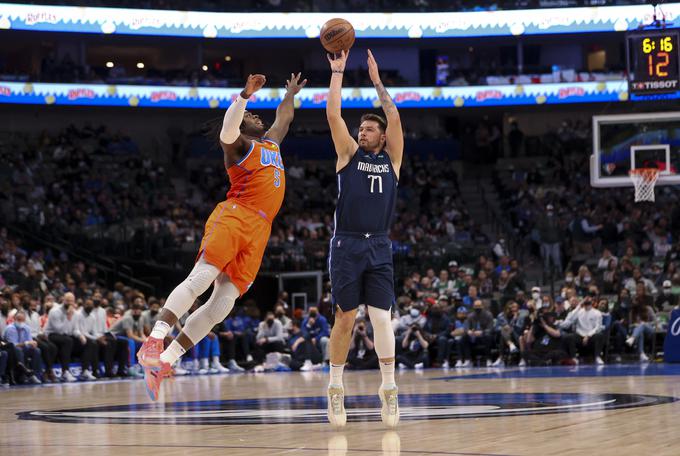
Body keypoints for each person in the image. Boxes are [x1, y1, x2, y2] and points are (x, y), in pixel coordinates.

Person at [136, 72, 306, 400]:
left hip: (260, 229)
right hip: (235, 215)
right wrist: (244, 97)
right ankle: (154, 339)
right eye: (250, 116)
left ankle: (165, 361)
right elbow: (228, 129)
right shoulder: (237, 146)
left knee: (223, 305)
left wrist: (291, 95)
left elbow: (284, 118)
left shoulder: (270, 143)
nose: (257, 116)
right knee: (201, 279)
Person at [325, 49, 404, 427]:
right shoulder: (348, 155)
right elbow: (333, 115)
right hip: (348, 243)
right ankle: (336, 388)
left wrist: (376, 81)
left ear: (383, 136)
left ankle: (388, 389)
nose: (363, 131)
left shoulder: (393, 159)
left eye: (369, 129)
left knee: (382, 318)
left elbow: (394, 115)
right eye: (361, 129)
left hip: (379, 245)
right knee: (345, 317)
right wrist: (338, 72)